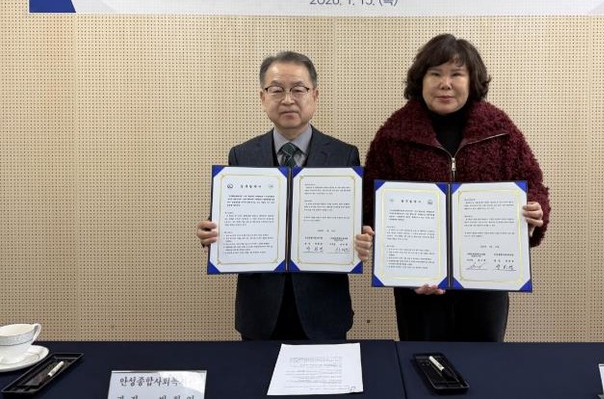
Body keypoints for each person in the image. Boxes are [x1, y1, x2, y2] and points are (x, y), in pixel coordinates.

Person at [362, 34, 550, 342]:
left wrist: (535, 211)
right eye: (435, 73)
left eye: (456, 74)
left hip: (486, 281)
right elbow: (371, 204)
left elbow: (534, 185)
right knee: (422, 362)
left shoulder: (500, 131)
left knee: (482, 364)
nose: (445, 84)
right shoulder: (393, 136)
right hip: (418, 286)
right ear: (420, 80)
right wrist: (393, 257)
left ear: (472, 80)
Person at [197, 51, 374, 340]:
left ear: (315, 95)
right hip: (261, 310)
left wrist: (363, 238)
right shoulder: (242, 155)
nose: (288, 99)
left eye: (298, 89)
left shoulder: (344, 155)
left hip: (323, 307)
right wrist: (210, 233)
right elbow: (232, 217)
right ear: (262, 97)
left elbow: (357, 223)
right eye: (277, 90)